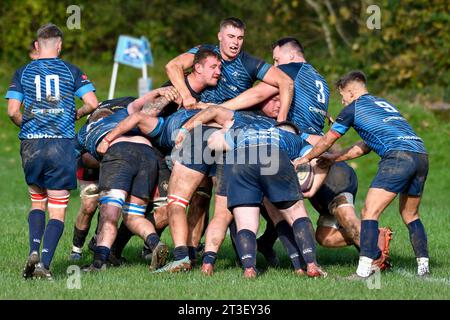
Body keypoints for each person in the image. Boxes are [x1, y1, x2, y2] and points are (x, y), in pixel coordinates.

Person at [97, 49, 222, 272]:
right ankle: (116, 247)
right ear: (198, 68)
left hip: (182, 152)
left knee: (195, 200)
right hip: (154, 149)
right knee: (160, 208)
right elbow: (142, 117)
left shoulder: (209, 95)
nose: (219, 73)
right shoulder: (174, 92)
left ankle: (185, 254)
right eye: (214, 67)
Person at [295, 70, 430, 278]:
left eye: (342, 96)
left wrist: (306, 158)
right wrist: (335, 157)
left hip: (397, 157)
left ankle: (365, 271)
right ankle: (423, 267)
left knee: (369, 212)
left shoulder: (354, 108)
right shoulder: (382, 105)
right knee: (410, 214)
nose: (342, 101)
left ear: (350, 92)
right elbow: (365, 146)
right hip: (420, 154)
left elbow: (327, 139)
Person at [5, 23, 98, 280]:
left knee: (37, 200)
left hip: (32, 143)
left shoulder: (22, 72)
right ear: (59, 46)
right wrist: (76, 114)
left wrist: (27, 123)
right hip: (62, 142)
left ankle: (33, 249)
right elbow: (92, 103)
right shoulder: (71, 70)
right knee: (58, 207)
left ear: (37, 46)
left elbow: (12, 111)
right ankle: (44, 264)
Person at [207, 121, 326, 278]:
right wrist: (311, 185)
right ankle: (311, 264)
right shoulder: (293, 138)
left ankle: (249, 269)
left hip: (239, 161)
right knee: (297, 214)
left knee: (246, 223)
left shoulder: (245, 131)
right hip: (274, 156)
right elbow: (317, 159)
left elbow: (215, 144)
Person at [165, 17, 293, 122]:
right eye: (231, 36)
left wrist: (281, 120)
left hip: (225, 120)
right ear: (220, 36)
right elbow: (172, 66)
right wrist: (186, 96)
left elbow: (286, 82)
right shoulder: (205, 51)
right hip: (191, 112)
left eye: (240, 38)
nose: (236, 42)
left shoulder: (250, 63)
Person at [221, 37, 330, 134]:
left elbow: (257, 94)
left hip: (298, 133)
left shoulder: (291, 68)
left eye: (277, 60)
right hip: (317, 135)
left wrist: (220, 107)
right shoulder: (321, 79)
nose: (275, 66)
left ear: (291, 55)